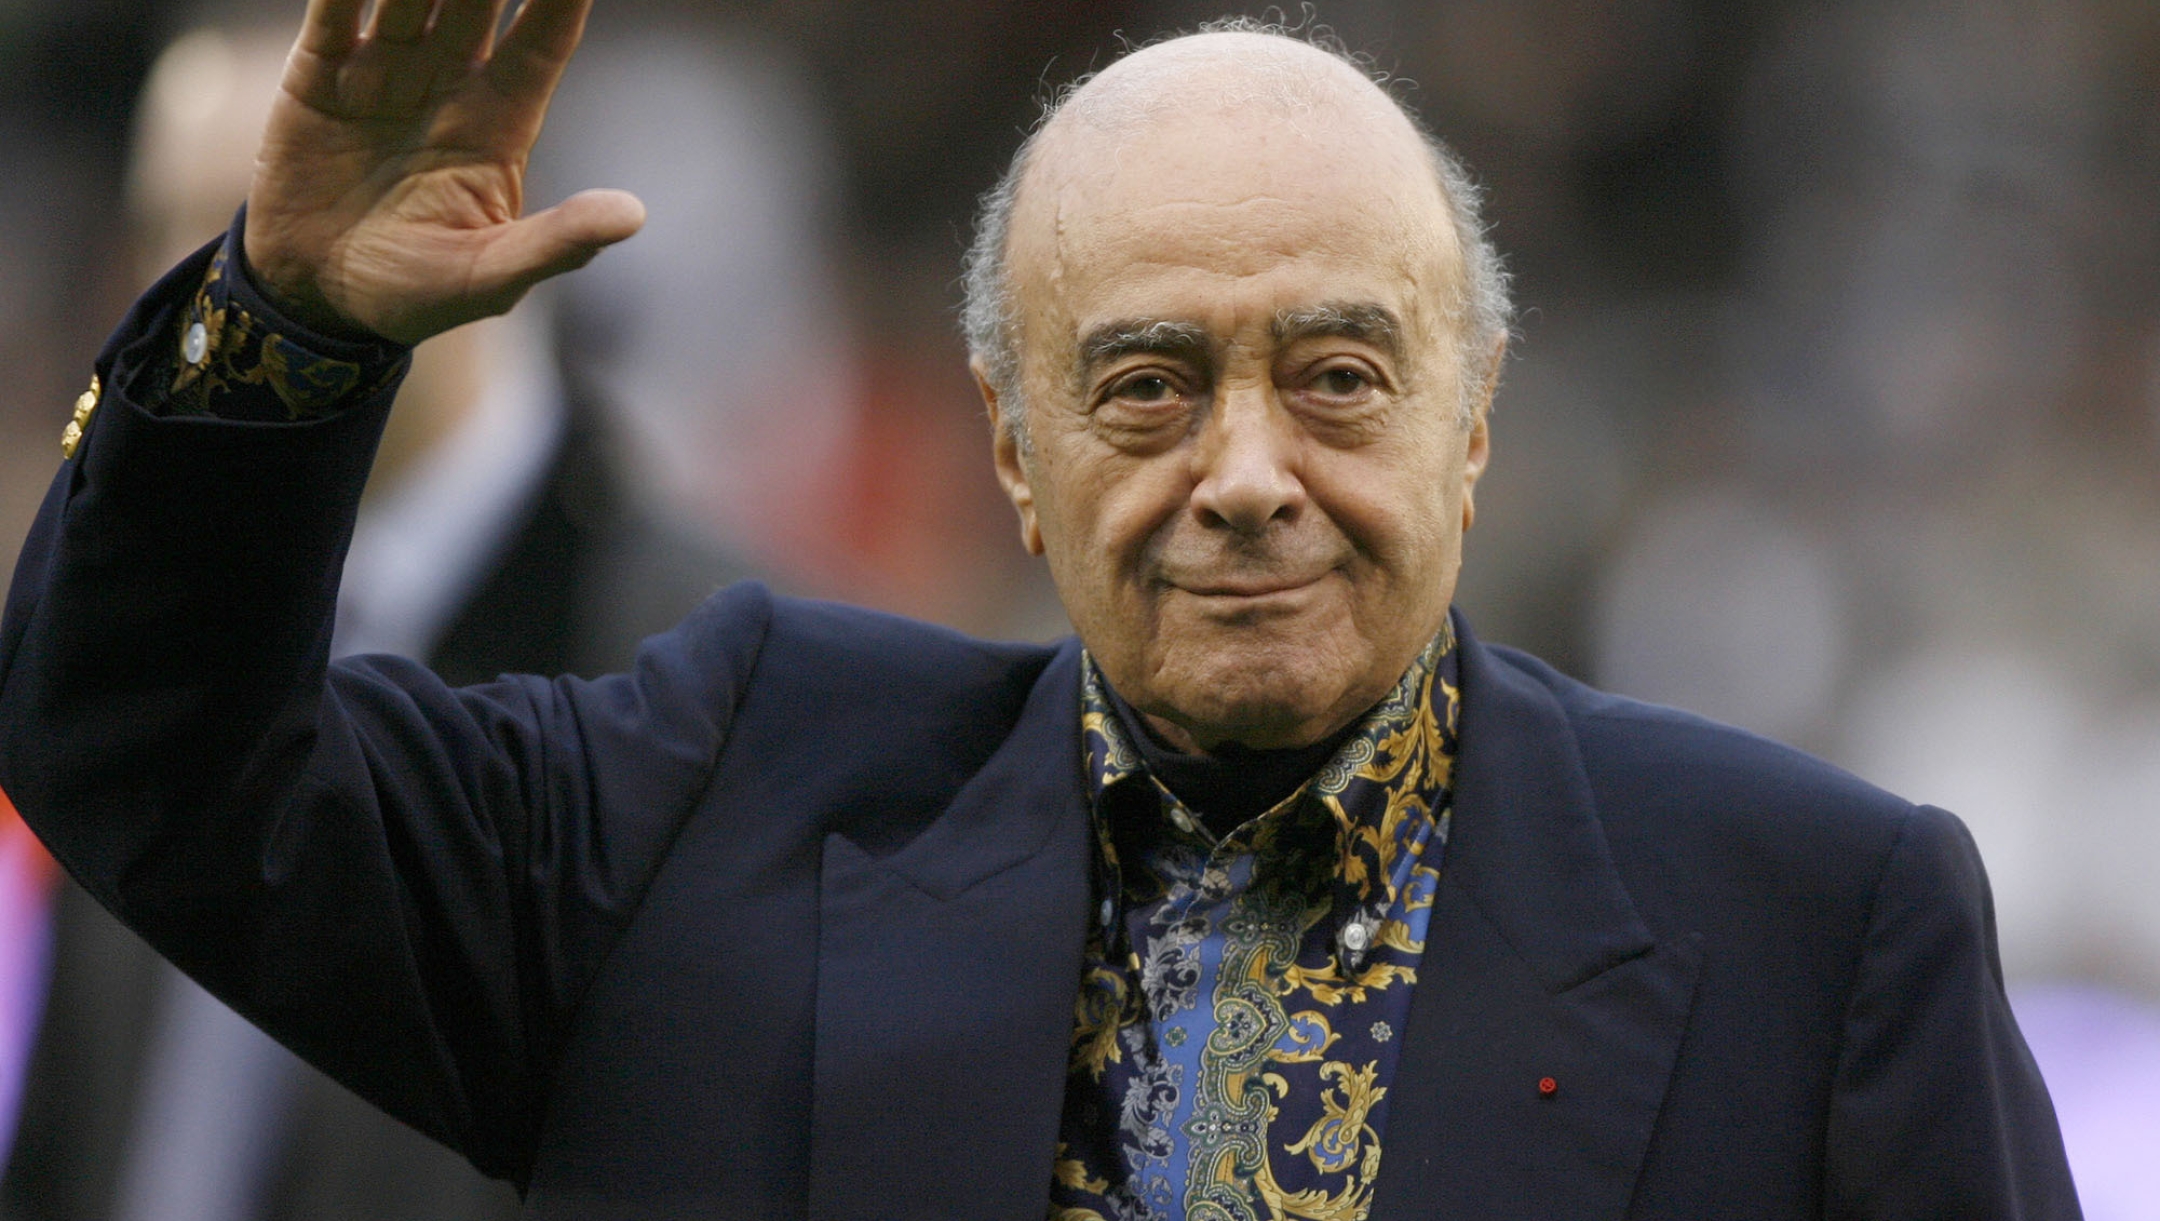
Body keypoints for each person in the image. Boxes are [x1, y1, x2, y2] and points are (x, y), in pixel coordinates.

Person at [0, 0, 2078, 1217]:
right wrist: (281, 334)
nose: (1247, 471)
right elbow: (157, 758)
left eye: (1339, 377)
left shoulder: (1818, 919)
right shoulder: (717, 792)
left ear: (1474, 425)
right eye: (1147, 385)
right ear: (1012, 452)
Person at [1, 14, 742, 1221]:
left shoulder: (686, 668)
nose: (215, 288)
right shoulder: (129, 634)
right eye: (166, 221)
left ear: (478, 199)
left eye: (258, 221)